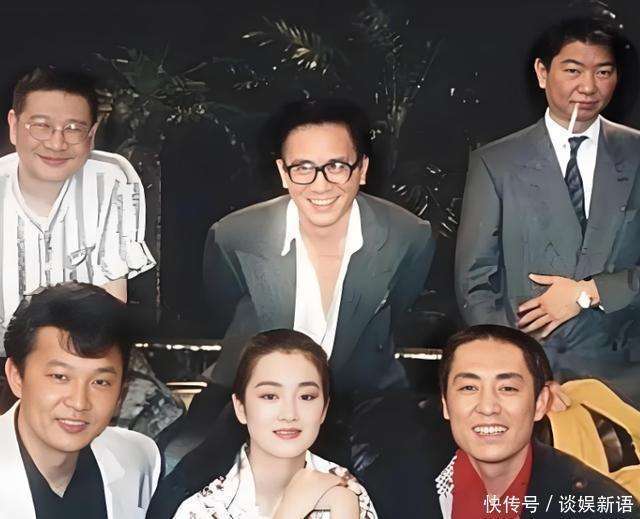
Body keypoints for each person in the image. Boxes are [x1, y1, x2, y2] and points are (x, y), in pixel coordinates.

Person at [455, 16, 640, 404]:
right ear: (542, 72)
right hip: (532, 378)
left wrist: (590, 292)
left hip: (628, 376)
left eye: (603, 72)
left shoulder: (635, 153)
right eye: (573, 70)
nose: (588, 87)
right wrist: (519, 372)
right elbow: (476, 282)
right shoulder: (496, 163)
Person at [204, 97, 435, 394]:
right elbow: (222, 308)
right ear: (283, 173)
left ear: (362, 169)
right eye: (303, 168)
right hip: (251, 391)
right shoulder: (234, 235)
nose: (321, 185)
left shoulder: (408, 235)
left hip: (364, 396)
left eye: (336, 166)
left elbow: (399, 309)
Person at [0, 66, 155, 353]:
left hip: (82, 356)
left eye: (73, 128)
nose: (56, 143)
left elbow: (111, 305)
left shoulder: (111, 178)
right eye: (41, 126)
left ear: (92, 134)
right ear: (14, 126)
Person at [435, 325, 639, 518]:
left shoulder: (599, 507)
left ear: (541, 403)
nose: (487, 407)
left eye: (508, 388)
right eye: (469, 388)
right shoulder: (418, 484)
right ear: (445, 403)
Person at [172, 329, 377, 519]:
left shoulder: (347, 490)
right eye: (270, 396)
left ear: (324, 409)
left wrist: (344, 504)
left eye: (306, 397)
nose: (289, 414)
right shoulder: (203, 509)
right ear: (240, 408)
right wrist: (289, 511)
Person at [0, 282, 161, 519]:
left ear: (122, 391)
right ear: (16, 377)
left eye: (100, 382)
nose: (79, 402)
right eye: (60, 377)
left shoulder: (138, 458)